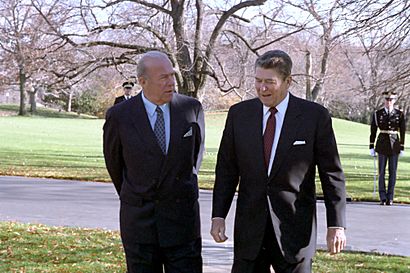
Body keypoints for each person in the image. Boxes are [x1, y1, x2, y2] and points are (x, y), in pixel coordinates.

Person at [210, 50, 346, 273]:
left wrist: (336, 224)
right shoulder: (239, 115)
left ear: (287, 81)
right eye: (258, 81)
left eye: (269, 82)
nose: (262, 88)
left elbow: (332, 174)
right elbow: (226, 170)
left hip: (295, 232)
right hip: (250, 232)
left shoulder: (314, 117)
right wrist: (218, 216)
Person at [103, 51, 205, 273]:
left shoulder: (191, 108)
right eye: (163, 78)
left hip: (182, 222)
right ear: (142, 82)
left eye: (171, 76)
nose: (171, 83)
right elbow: (115, 165)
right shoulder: (119, 116)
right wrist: (139, 193)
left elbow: (194, 159)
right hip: (140, 224)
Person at [369, 90, 406, 205]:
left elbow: (403, 131)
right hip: (382, 145)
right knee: (381, 172)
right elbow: (373, 131)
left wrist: (402, 146)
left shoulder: (399, 114)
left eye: (391, 100)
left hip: (394, 145)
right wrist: (371, 145)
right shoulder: (378, 114)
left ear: (394, 101)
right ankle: (382, 197)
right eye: (387, 100)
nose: (388, 102)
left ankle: (390, 197)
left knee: (393, 172)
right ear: (384, 100)